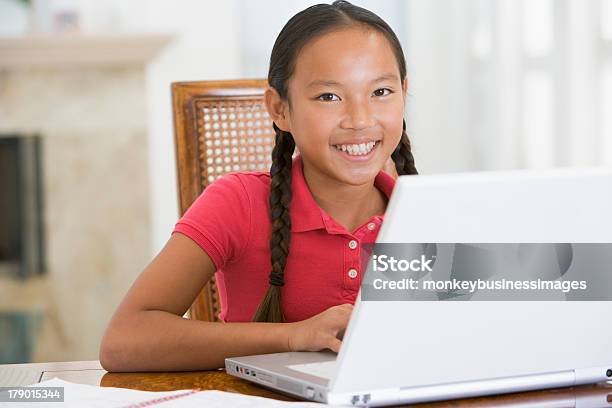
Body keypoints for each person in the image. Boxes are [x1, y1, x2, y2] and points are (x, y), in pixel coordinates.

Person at [99, 0, 417, 372]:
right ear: (279, 109)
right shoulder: (239, 203)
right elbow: (123, 341)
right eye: (328, 96)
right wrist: (293, 336)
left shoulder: (429, 214)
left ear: (404, 92)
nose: (359, 119)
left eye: (380, 92)